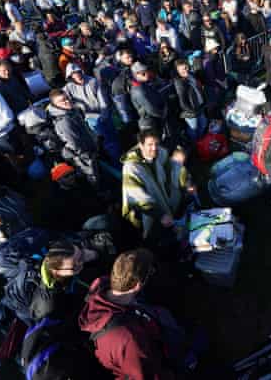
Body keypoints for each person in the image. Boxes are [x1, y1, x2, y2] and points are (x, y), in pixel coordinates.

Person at [79, 249, 188, 380]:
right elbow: (145, 375)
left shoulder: (100, 288)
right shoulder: (128, 338)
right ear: (137, 285)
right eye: (150, 273)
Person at [121, 130, 188, 241]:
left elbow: (173, 168)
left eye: (156, 144)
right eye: (150, 145)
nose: (154, 148)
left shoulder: (161, 152)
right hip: (147, 212)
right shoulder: (131, 168)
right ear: (141, 145)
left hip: (164, 199)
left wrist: (186, 181)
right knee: (156, 237)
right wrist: (160, 215)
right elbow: (138, 197)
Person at [48, 89, 101, 187]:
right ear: (55, 105)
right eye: (62, 100)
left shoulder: (72, 110)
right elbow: (75, 145)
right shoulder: (63, 121)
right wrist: (90, 156)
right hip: (85, 157)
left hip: (91, 150)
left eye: (67, 98)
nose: (67, 101)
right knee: (94, 179)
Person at [172, 59, 207, 142]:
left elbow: (198, 86)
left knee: (203, 123)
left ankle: (200, 140)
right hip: (191, 111)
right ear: (178, 71)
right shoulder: (179, 82)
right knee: (193, 128)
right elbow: (182, 100)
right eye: (183, 69)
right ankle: (195, 143)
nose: (186, 70)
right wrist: (191, 111)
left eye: (186, 67)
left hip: (199, 105)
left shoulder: (191, 75)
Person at [129, 62, 168, 133]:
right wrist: (163, 113)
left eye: (147, 71)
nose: (147, 74)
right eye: (143, 73)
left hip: (155, 118)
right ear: (136, 75)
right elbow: (150, 109)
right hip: (150, 121)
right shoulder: (139, 90)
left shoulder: (144, 84)